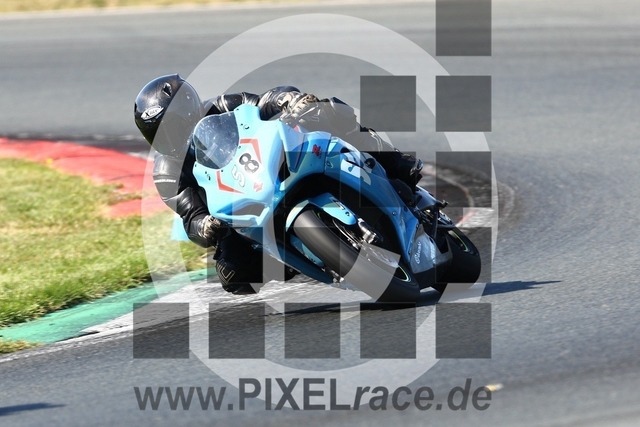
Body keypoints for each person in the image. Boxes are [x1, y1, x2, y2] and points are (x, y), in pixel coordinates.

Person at [134, 74, 423, 294]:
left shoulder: (220, 107)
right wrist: (205, 226)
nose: (169, 137)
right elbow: (191, 215)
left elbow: (263, 101)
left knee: (327, 111)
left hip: (272, 164)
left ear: (188, 109)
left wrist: (289, 100)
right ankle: (296, 257)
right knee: (232, 274)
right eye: (158, 134)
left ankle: (395, 162)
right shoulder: (167, 173)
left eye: (171, 126)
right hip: (240, 209)